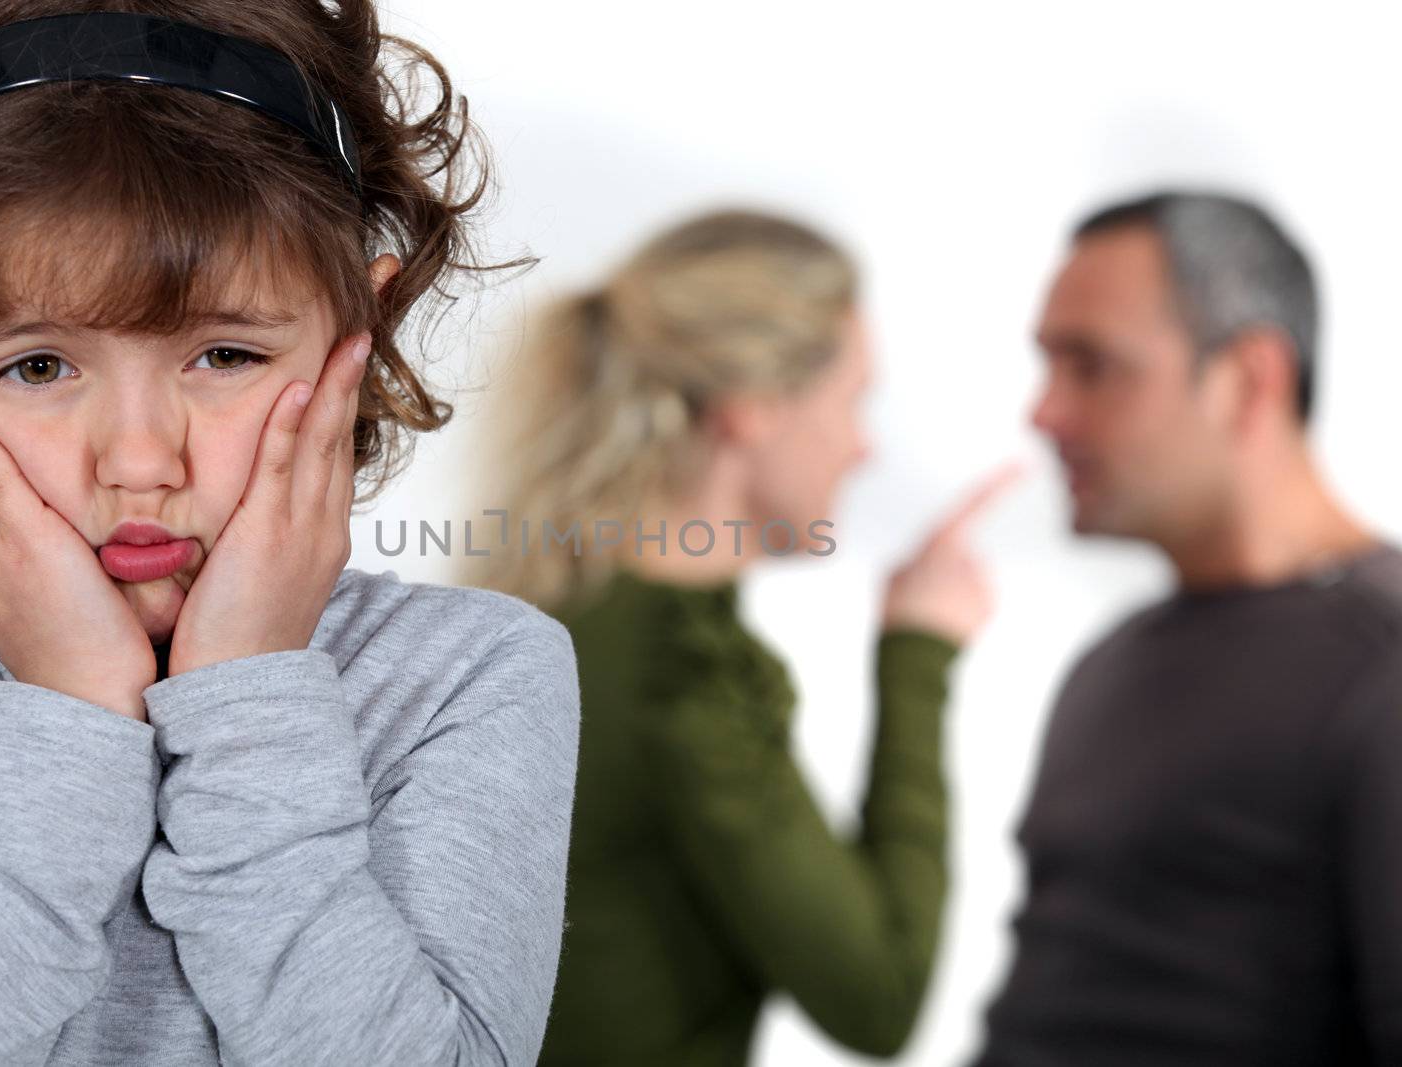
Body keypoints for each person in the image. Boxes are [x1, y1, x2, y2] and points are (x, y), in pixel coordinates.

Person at [0, 3, 580, 1064]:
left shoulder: (471, 670)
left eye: (224, 356)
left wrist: (249, 694)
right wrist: (68, 708)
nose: (137, 458)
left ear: (364, 327)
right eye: (38, 365)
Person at [465, 209, 1020, 1065]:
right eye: (851, 399)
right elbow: (880, 997)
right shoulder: (680, 676)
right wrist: (920, 651)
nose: (862, 446)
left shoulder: (549, 615)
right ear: (753, 408)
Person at [972, 190, 1402, 1065]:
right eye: (1047, 366)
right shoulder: (1108, 666)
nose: (1042, 413)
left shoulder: (1382, 666)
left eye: (1090, 366)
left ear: (1249, 378)